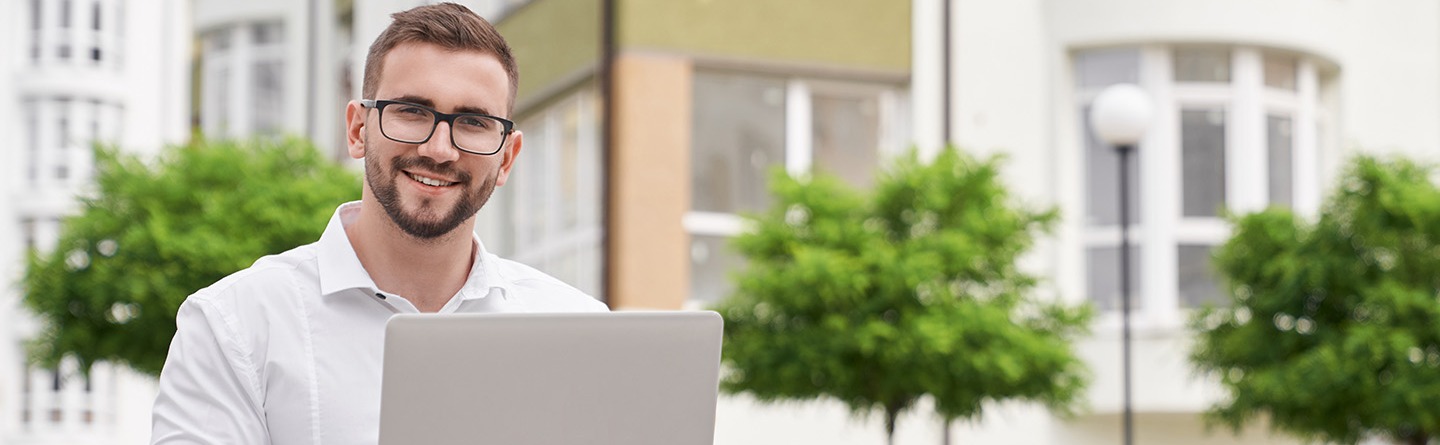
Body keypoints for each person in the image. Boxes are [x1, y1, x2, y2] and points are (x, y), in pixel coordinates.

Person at [150, 3, 608, 443]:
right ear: (357, 130)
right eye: (412, 112)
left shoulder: (583, 332)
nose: (439, 149)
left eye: (473, 121)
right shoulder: (234, 325)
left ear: (507, 157)